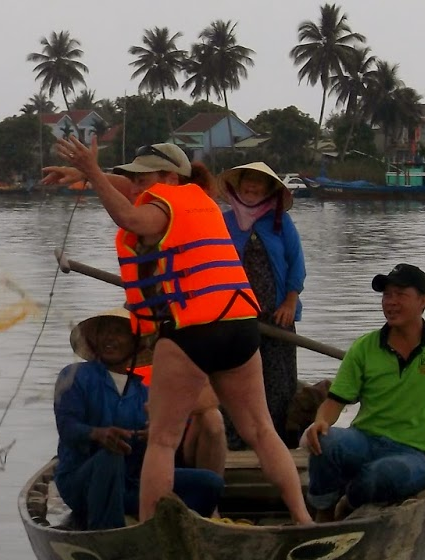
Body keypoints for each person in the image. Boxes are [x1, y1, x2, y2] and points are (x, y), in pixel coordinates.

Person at [45, 139, 312, 526]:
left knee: (163, 440)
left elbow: (132, 221)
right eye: (133, 179)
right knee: (261, 430)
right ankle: (302, 519)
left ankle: (151, 528)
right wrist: (89, 174)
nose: (135, 187)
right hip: (240, 327)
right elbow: (130, 191)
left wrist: (91, 171)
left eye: (143, 178)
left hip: (192, 331)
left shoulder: (161, 207)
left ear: (170, 177)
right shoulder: (198, 198)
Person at [301, 263, 425, 518]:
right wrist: (320, 422)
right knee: (326, 442)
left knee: (386, 474)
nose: (390, 302)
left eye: (400, 295)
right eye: (386, 295)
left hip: (412, 452)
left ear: (423, 301)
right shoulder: (365, 347)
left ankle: (348, 502)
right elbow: (335, 401)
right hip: (364, 439)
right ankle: (322, 511)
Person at [53, 311, 226, 530]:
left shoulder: (143, 393)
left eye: (118, 332)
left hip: (131, 483)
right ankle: (109, 533)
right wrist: (98, 434)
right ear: (93, 341)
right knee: (111, 456)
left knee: (210, 484)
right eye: (103, 332)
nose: (109, 338)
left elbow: (154, 444)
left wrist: (150, 435)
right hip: (82, 482)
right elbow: (67, 427)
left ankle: (185, 529)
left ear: (136, 343)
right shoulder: (75, 375)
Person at [220, 161, 307, 445]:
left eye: (260, 182)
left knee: (278, 382)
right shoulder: (225, 221)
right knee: (234, 379)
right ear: (238, 184)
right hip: (234, 316)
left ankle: (277, 442)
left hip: (276, 316)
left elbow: (297, 265)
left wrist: (290, 302)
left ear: (270, 189)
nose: (252, 187)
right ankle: (234, 442)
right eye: (248, 180)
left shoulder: (280, 222)